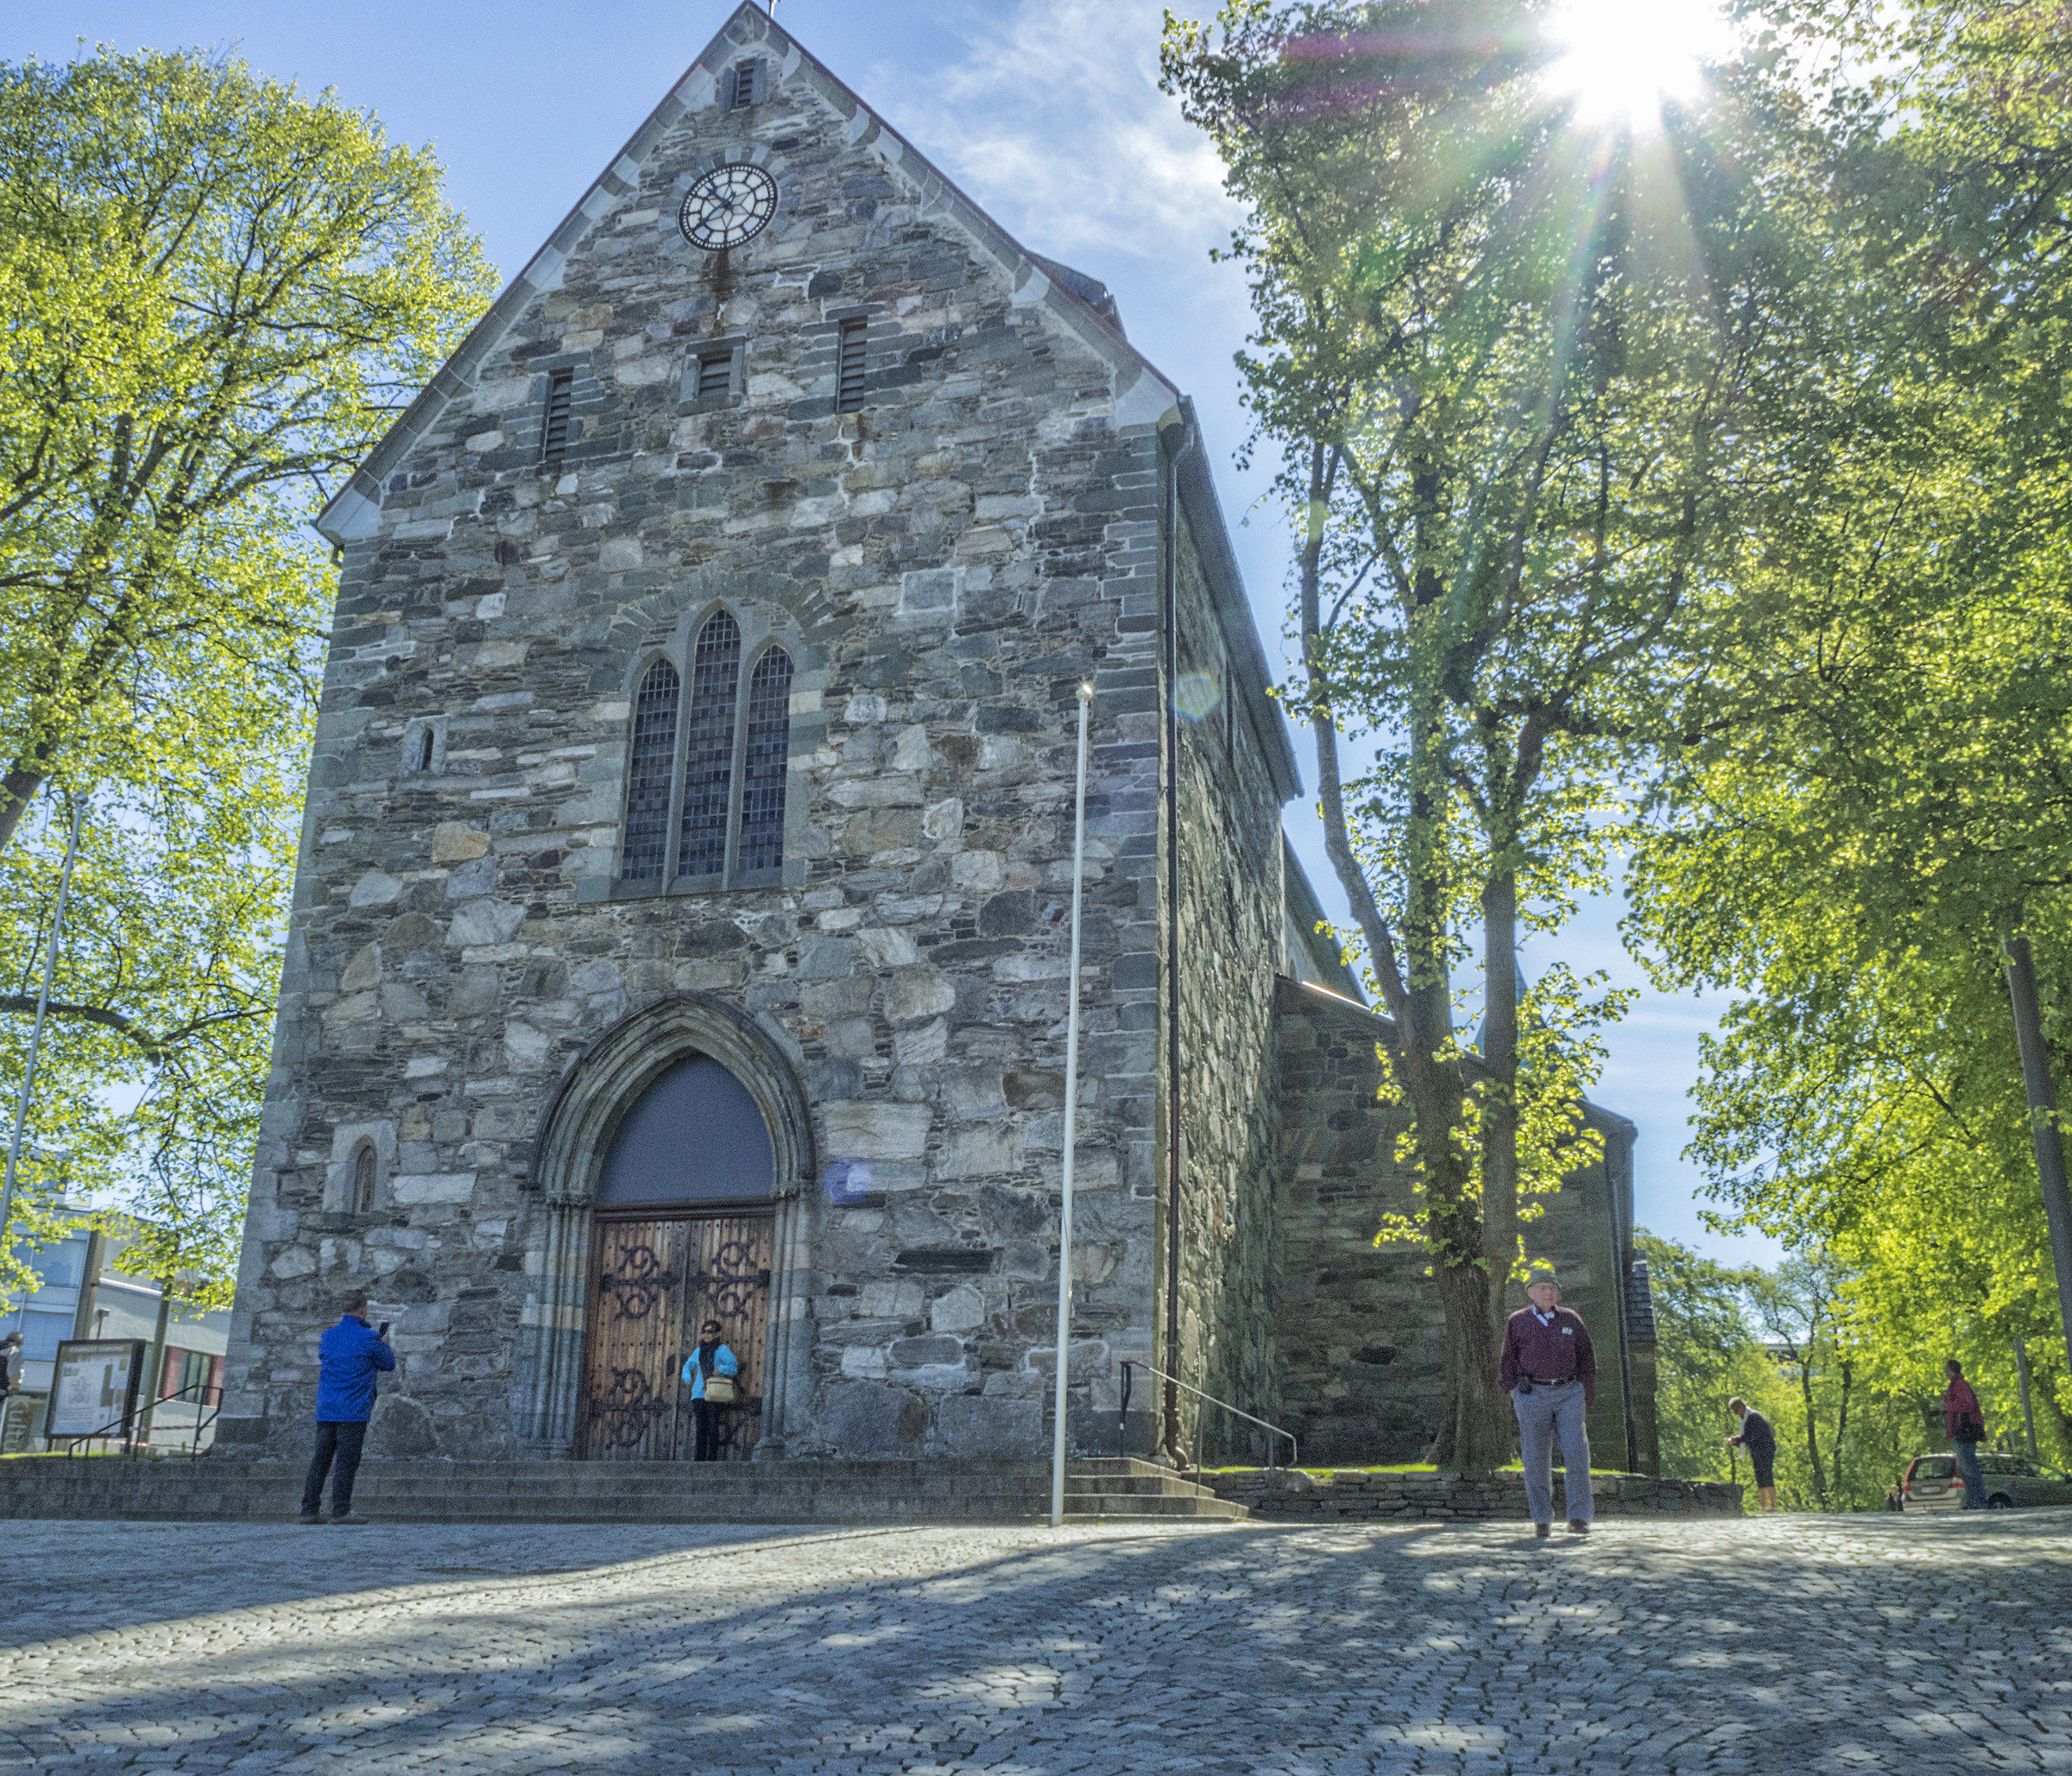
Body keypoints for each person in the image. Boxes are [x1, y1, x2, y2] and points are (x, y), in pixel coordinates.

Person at [1500, 1267, 1597, 1538]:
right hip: (1532, 1395)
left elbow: (1587, 1358)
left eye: (1553, 1288)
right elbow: (1508, 1360)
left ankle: (1578, 1518)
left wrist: (1584, 1389)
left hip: (1568, 1392)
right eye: (1542, 1287)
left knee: (1577, 1453)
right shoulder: (1517, 1321)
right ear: (1531, 1292)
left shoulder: (1571, 1319)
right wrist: (1513, 1391)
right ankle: (1542, 1519)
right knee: (1535, 1459)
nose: (1549, 1292)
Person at [300, 1289, 394, 1525]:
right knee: (346, 1460)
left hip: (327, 1407)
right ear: (363, 1309)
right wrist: (384, 1343)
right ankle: (340, 1511)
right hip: (353, 1409)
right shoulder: (369, 1338)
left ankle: (308, 1511)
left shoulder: (328, 1336)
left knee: (320, 1459)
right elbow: (388, 1364)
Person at [681, 1318, 739, 1463]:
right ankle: (699, 1460)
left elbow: (733, 1369)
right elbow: (688, 1365)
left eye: (711, 1332)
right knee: (701, 1428)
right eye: (705, 1332)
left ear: (717, 1334)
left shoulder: (723, 1350)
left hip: (715, 1393)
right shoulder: (698, 1351)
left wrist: (721, 1370)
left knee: (713, 1427)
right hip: (699, 1394)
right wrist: (687, 1377)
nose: (707, 1335)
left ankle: (711, 1459)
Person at [1943, 1357, 1987, 1511]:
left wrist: (1947, 1406)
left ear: (1951, 1370)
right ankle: (1973, 1501)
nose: (1945, 1372)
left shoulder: (1960, 1385)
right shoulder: (1955, 1385)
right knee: (1963, 1469)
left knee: (1969, 1468)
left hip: (1965, 1432)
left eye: (1946, 1369)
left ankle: (1979, 1501)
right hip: (1959, 1432)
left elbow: (1967, 1404)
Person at [1724, 1396, 1778, 1513]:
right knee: (1760, 1476)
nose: (1736, 1414)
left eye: (1736, 1411)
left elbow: (1751, 1436)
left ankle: (1773, 1506)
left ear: (1742, 1407)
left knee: (1767, 1475)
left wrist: (1735, 1440)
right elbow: (1748, 1438)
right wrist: (1735, 1441)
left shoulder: (1753, 1417)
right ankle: (1765, 1506)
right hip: (1757, 1450)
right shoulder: (1746, 1417)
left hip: (1765, 1450)